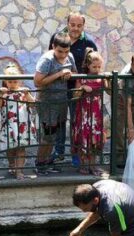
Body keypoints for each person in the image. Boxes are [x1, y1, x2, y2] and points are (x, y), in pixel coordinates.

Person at [48, 11, 98, 166]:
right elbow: (50, 58)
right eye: (72, 24)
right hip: (58, 88)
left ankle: (77, 152)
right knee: (59, 121)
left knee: (78, 122)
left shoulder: (89, 42)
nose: (75, 28)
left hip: (79, 90)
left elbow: (95, 65)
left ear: (83, 26)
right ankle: (59, 152)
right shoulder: (57, 38)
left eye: (79, 25)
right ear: (67, 23)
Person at [34, 32, 77, 175]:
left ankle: (47, 161)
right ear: (53, 46)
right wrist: (58, 75)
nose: (63, 55)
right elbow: (38, 82)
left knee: (55, 134)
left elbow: (75, 73)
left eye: (66, 51)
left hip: (62, 101)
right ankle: (39, 164)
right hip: (47, 103)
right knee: (48, 135)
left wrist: (70, 75)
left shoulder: (69, 57)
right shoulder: (47, 60)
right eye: (60, 51)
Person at [0, 64, 36, 180]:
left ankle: (19, 171)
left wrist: (27, 94)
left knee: (21, 149)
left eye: (15, 81)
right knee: (10, 148)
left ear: (19, 81)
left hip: (22, 124)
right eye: (10, 82)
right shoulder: (3, 94)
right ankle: (12, 164)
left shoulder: (23, 92)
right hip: (9, 125)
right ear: (5, 82)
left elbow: (32, 104)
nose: (12, 84)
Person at [72, 48, 107, 176]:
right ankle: (84, 165)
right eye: (94, 66)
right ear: (88, 65)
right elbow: (75, 95)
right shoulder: (82, 78)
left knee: (94, 140)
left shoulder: (100, 78)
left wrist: (108, 79)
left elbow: (109, 91)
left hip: (96, 113)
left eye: (99, 67)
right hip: (84, 113)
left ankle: (93, 165)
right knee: (83, 138)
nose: (97, 69)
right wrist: (82, 88)